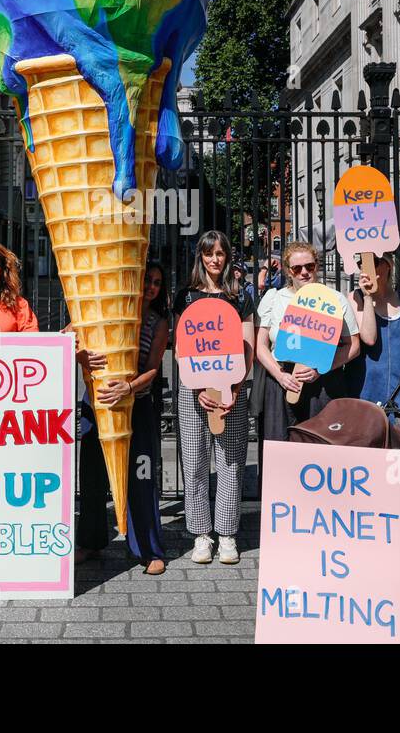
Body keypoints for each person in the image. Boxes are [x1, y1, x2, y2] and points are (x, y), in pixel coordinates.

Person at [75, 262, 170, 573]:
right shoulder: (103, 308)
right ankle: (90, 542)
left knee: (141, 479)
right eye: (147, 280)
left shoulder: (158, 323)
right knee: (92, 477)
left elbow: (154, 369)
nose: (151, 287)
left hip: (137, 406)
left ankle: (148, 549)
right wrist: (80, 355)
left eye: (157, 282)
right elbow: (67, 335)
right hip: (98, 403)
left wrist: (128, 388)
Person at [172, 230, 255, 565]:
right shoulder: (186, 297)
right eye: (209, 254)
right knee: (194, 465)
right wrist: (196, 388)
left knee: (231, 464)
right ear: (200, 257)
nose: (215, 260)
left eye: (220, 253)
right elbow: (180, 350)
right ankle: (202, 534)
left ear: (228, 256)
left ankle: (227, 534)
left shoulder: (240, 297)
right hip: (194, 395)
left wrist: (235, 389)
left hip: (231, 393)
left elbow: (247, 347)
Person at [256, 241, 360, 452]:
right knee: (280, 450)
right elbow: (260, 346)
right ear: (288, 271)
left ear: (317, 267)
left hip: (322, 383)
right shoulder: (275, 298)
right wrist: (280, 375)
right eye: (297, 268)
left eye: (309, 267)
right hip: (282, 382)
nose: (304, 272)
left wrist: (321, 369)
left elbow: (353, 345)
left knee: (319, 448)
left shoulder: (336, 299)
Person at [348, 253, 400, 417]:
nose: (368, 269)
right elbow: (369, 338)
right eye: (362, 264)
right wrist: (367, 297)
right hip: (366, 388)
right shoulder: (355, 298)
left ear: (388, 265)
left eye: (374, 262)